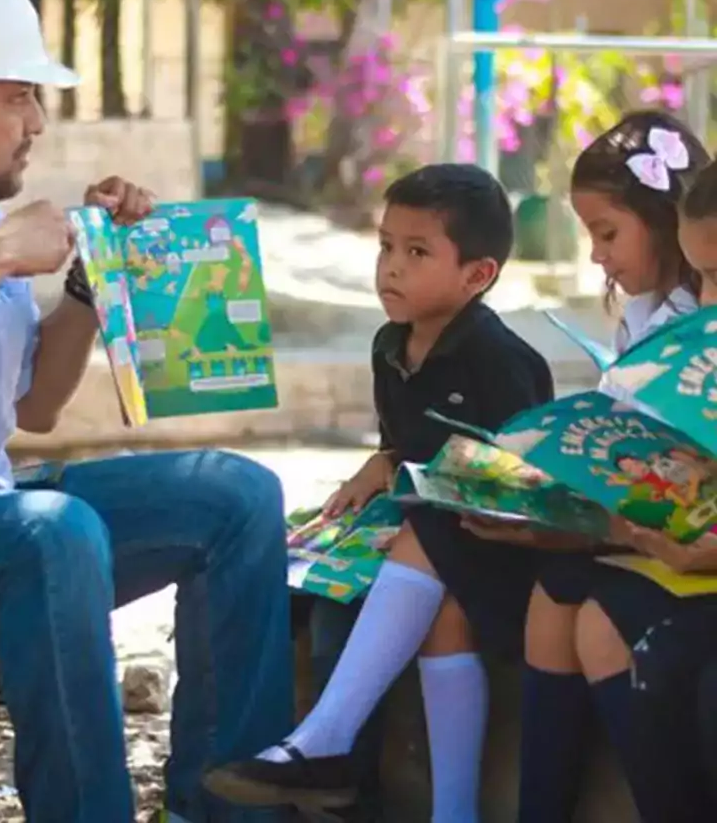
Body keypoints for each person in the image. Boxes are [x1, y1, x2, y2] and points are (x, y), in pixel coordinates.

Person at [0, 0, 292, 823]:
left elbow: (34, 410)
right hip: (3, 537)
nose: (36, 123)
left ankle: (225, 807)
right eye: (14, 95)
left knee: (239, 495)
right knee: (51, 533)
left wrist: (87, 284)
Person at [204, 162, 556, 822]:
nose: (391, 267)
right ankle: (426, 806)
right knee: (347, 602)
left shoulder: (500, 359)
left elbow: (521, 480)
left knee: (426, 546)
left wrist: (411, 475)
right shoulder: (389, 347)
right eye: (386, 246)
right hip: (432, 552)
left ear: (477, 275)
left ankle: (324, 744)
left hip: (502, 550)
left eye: (417, 252)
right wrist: (384, 460)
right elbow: (412, 448)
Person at [516, 111, 711, 823]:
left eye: (607, 234)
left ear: (664, 220)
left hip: (686, 553)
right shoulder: (643, 313)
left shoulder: (695, 314)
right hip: (653, 533)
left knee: (595, 617)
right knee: (553, 598)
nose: (597, 256)